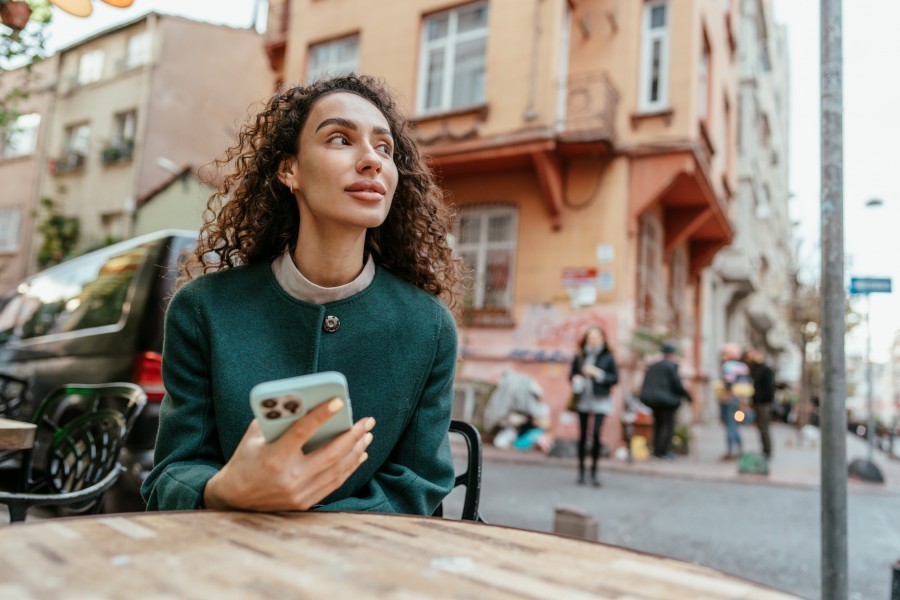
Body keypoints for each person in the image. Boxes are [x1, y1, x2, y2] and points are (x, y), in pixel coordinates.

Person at [141, 75, 462, 515]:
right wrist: (223, 490)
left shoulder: (429, 327)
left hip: (365, 572)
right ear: (289, 169)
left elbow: (419, 482)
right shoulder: (203, 309)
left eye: (384, 148)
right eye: (339, 139)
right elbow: (172, 474)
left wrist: (314, 529)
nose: (372, 160)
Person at [569, 326, 618, 486]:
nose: (593, 340)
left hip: (601, 399)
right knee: (582, 436)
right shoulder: (580, 356)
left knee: (596, 433)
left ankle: (594, 472)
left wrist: (598, 373)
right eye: (590, 337)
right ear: (586, 339)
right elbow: (571, 374)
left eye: (596, 336)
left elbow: (615, 378)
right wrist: (575, 379)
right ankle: (581, 472)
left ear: (602, 338)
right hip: (583, 398)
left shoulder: (608, 357)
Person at [639, 342, 692, 459]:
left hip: (653, 400)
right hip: (667, 401)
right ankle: (664, 451)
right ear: (672, 354)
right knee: (668, 426)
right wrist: (687, 396)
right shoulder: (671, 366)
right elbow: (677, 384)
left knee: (657, 424)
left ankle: (656, 451)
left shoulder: (654, 366)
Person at [716, 342, 751, 460]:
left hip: (728, 399)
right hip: (739, 399)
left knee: (729, 425)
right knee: (735, 425)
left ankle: (731, 451)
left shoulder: (728, 366)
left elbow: (728, 383)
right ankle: (740, 449)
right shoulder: (743, 367)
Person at [745, 347, 775, 458]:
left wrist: (761, 399)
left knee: (764, 427)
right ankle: (765, 449)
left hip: (764, 403)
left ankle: (767, 450)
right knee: (761, 427)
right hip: (759, 402)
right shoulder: (755, 369)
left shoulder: (766, 370)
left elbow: (768, 388)